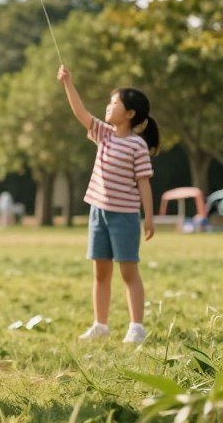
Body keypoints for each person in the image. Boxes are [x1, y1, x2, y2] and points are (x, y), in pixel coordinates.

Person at [57, 65, 159, 344]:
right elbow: (81, 113)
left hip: (125, 217)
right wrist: (69, 83)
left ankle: (136, 326)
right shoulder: (104, 134)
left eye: (114, 103)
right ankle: (100, 324)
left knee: (128, 271)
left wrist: (148, 218)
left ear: (129, 114)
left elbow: (144, 184)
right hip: (97, 213)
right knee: (100, 272)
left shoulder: (137, 146)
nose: (108, 106)